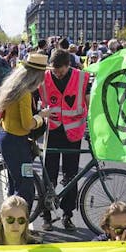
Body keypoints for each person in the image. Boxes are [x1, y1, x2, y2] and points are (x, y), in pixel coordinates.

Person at [0, 52, 51, 215]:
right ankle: (20, 226)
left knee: (14, 184)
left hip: (6, 136)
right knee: (25, 188)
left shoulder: (14, 86)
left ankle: (8, 222)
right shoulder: (25, 93)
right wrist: (41, 117)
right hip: (16, 141)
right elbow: (27, 124)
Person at [40, 49, 88, 231]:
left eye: (60, 71)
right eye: (54, 70)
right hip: (52, 131)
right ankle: (46, 215)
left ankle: (67, 215)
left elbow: (89, 102)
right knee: (49, 176)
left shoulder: (81, 78)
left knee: (71, 176)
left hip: (73, 133)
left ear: (69, 66)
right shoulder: (44, 77)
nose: (57, 74)